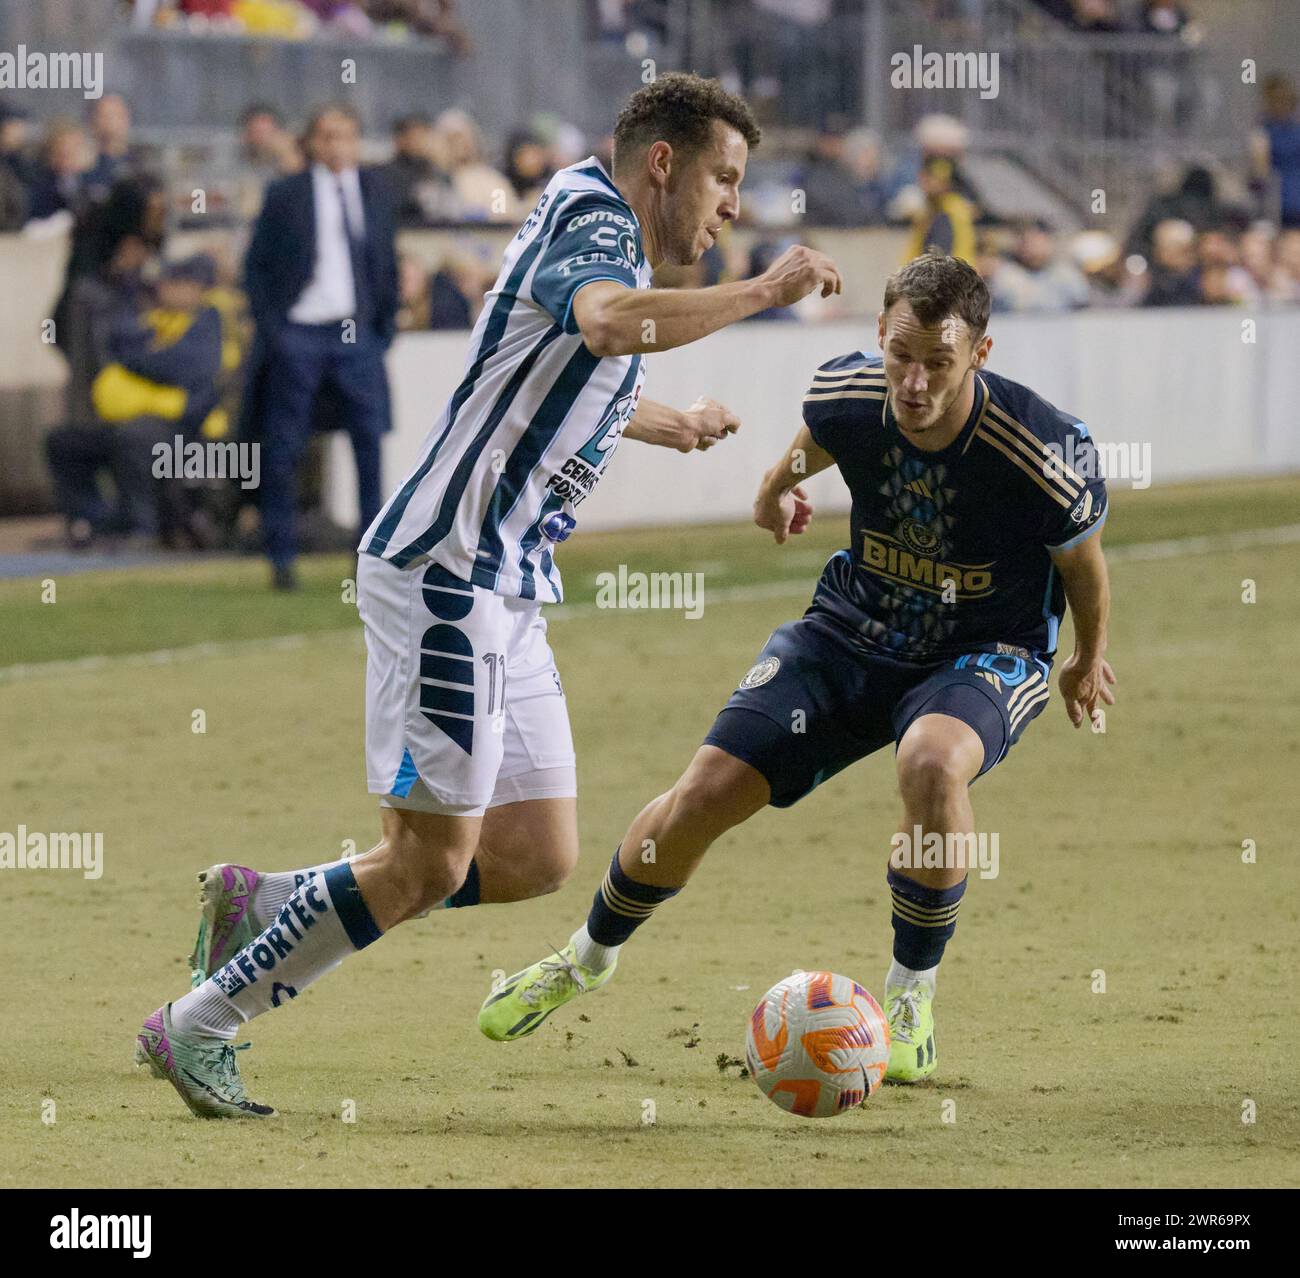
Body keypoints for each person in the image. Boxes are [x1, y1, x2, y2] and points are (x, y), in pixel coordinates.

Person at [134, 71, 842, 1117]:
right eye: (724, 178)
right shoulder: (597, 224)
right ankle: (198, 1024)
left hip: (504, 585)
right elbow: (605, 327)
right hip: (447, 575)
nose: (732, 204)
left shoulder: (594, 230)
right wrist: (761, 294)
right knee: (427, 862)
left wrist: (668, 424)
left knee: (533, 853)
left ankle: (271, 899)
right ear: (664, 163)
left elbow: (558, 373)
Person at [480, 252, 1115, 1087]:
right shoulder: (849, 393)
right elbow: (813, 444)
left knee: (930, 762)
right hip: (849, 631)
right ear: (878, 337)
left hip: (982, 650)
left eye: (939, 363)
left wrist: (1084, 659)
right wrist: (774, 488)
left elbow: (1083, 567)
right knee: (703, 793)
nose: (915, 382)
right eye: (900, 355)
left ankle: (911, 995)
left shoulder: (1043, 449)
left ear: (981, 355)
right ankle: (587, 956)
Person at [241, 103, 399, 591]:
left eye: (346, 136)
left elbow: (385, 264)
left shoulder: (374, 192)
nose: (337, 146)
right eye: (327, 136)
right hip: (301, 333)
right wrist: (277, 331)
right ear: (311, 142)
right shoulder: (286, 194)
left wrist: (381, 330)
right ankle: (281, 557)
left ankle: (370, 557)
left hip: (357, 336)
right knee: (285, 446)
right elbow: (257, 269)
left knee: (368, 444)